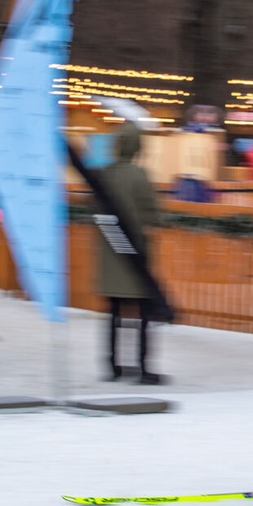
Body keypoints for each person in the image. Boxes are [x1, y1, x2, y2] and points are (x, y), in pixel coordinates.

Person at [95, 121, 164, 384]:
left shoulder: (104, 173)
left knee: (113, 313)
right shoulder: (139, 175)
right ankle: (143, 367)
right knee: (144, 314)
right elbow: (151, 215)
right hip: (135, 255)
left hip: (110, 252)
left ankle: (112, 365)